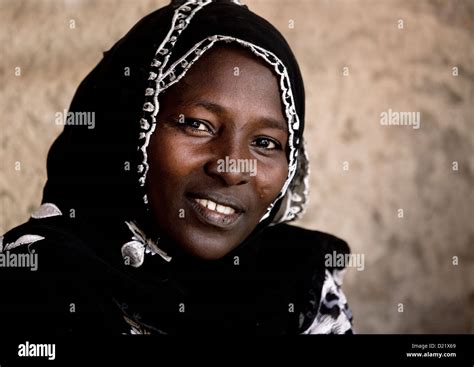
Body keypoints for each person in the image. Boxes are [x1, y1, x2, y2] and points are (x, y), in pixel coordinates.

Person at [0, 0, 353, 335]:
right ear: (128, 127)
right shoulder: (38, 282)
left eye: (265, 143)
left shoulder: (299, 284)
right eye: (198, 124)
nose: (231, 168)